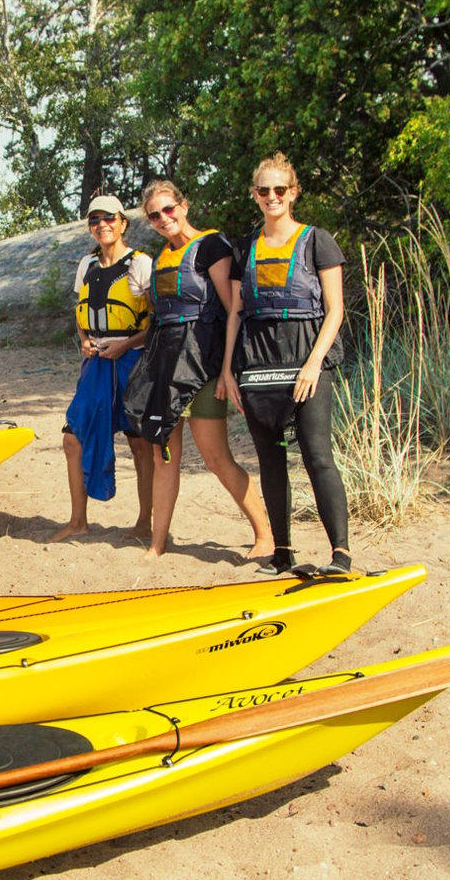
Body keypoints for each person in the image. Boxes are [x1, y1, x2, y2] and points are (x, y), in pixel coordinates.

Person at [122, 179, 274, 561]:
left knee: (215, 457)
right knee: (163, 456)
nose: (163, 219)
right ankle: (158, 543)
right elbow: (159, 319)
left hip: (204, 366)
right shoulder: (159, 258)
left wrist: (227, 370)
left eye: (168, 209)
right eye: (154, 215)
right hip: (166, 368)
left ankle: (264, 536)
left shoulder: (211, 246)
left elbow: (232, 310)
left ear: (184, 206)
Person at [221, 152, 350, 575]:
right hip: (257, 367)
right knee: (271, 461)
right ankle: (282, 553)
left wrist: (314, 365)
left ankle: (341, 556)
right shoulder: (247, 249)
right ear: (254, 195)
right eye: (264, 190)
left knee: (317, 455)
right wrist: (228, 370)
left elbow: (335, 311)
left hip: (306, 363)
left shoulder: (317, 241)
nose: (272, 197)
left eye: (280, 189)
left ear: (293, 193)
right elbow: (236, 313)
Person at [49, 195, 155, 541]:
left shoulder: (141, 264)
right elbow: (81, 312)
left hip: (131, 359)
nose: (102, 225)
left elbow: (158, 321)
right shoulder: (86, 265)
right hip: (95, 362)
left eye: (109, 218)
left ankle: (144, 522)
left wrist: (126, 345)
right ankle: (78, 520)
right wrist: (83, 339)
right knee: (72, 438)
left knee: (139, 442)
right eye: (95, 220)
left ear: (123, 222)